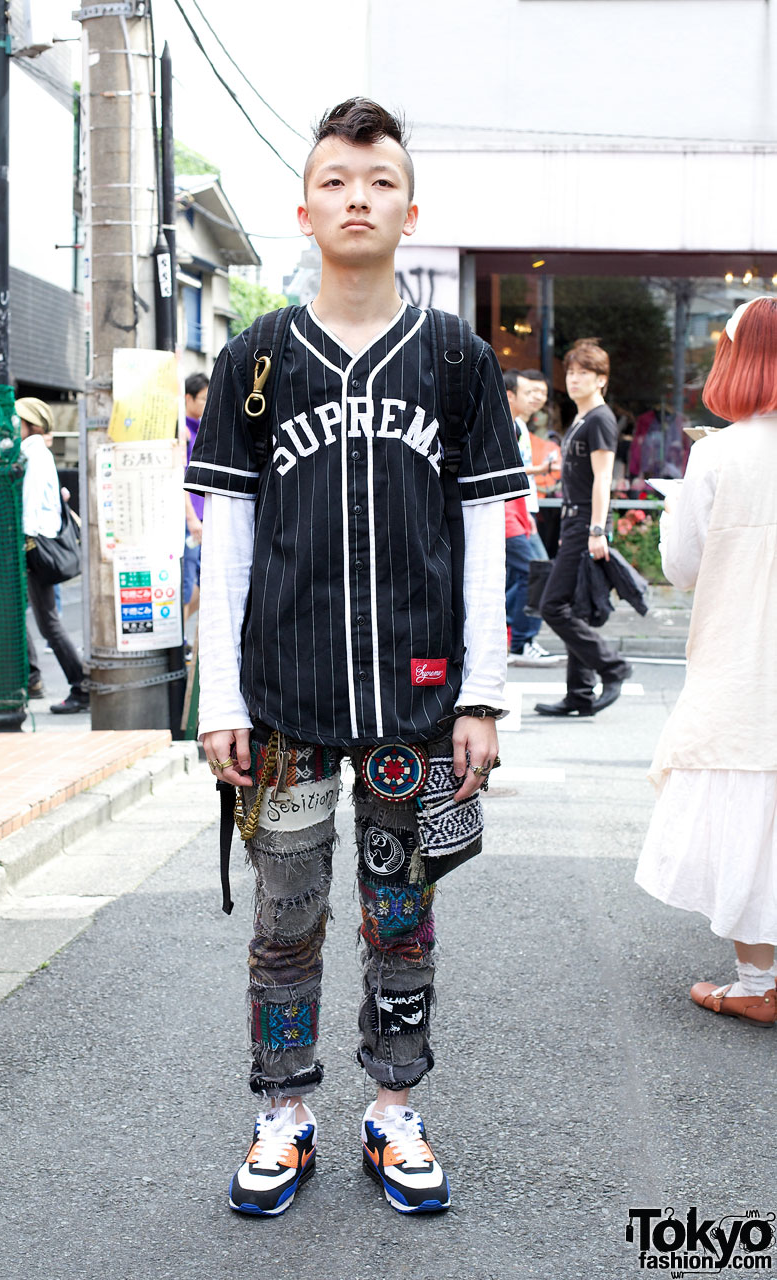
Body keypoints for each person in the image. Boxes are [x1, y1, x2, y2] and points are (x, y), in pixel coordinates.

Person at [184, 98, 528, 1218]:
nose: (356, 198)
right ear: (304, 206)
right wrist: (218, 696)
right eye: (335, 180)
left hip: (418, 707)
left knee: (403, 915)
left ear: (408, 208)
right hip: (281, 704)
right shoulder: (253, 360)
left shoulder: (458, 359)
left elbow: (483, 535)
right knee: (285, 922)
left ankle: (393, 1109)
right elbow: (225, 544)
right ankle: (283, 1113)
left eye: (377, 181)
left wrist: (482, 691)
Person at [635, 296, 777, 1024]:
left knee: (746, 809)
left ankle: (757, 981)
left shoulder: (716, 453)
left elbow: (681, 567)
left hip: (743, 662)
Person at [534, 339, 632, 717]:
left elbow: (602, 478)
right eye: (571, 372)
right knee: (571, 605)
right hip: (573, 520)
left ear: (601, 379)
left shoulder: (601, 419)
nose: (574, 379)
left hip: (585, 523)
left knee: (553, 606)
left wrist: (595, 530)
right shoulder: (579, 419)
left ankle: (613, 667)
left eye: (584, 373)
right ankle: (580, 694)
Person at [16, 397, 88, 714]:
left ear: (29, 424)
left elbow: (31, 504)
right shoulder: (35, 453)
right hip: (39, 543)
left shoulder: (34, 454)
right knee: (45, 621)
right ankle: (36, 679)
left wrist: (23, 542)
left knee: (48, 623)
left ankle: (80, 685)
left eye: (17, 420)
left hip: (36, 546)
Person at [502, 370, 561, 666]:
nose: (536, 398)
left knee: (526, 574)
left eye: (541, 393)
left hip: (521, 510)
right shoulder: (501, 424)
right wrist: (538, 471)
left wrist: (531, 511)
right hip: (505, 512)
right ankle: (521, 642)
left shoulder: (519, 426)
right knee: (535, 571)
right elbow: (504, 469)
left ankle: (513, 637)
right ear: (510, 394)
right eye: (530, 392)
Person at [182, 371, 209, 629]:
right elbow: (180, 477)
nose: (206, 403)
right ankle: (179, 641)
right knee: (189, 581)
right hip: (190, 519)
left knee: (203, 581)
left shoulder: (203, 427)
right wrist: (190, 517)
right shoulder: (183, 431)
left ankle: (180, 637)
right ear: (188, 398)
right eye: (202, 398)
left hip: (203, 517)